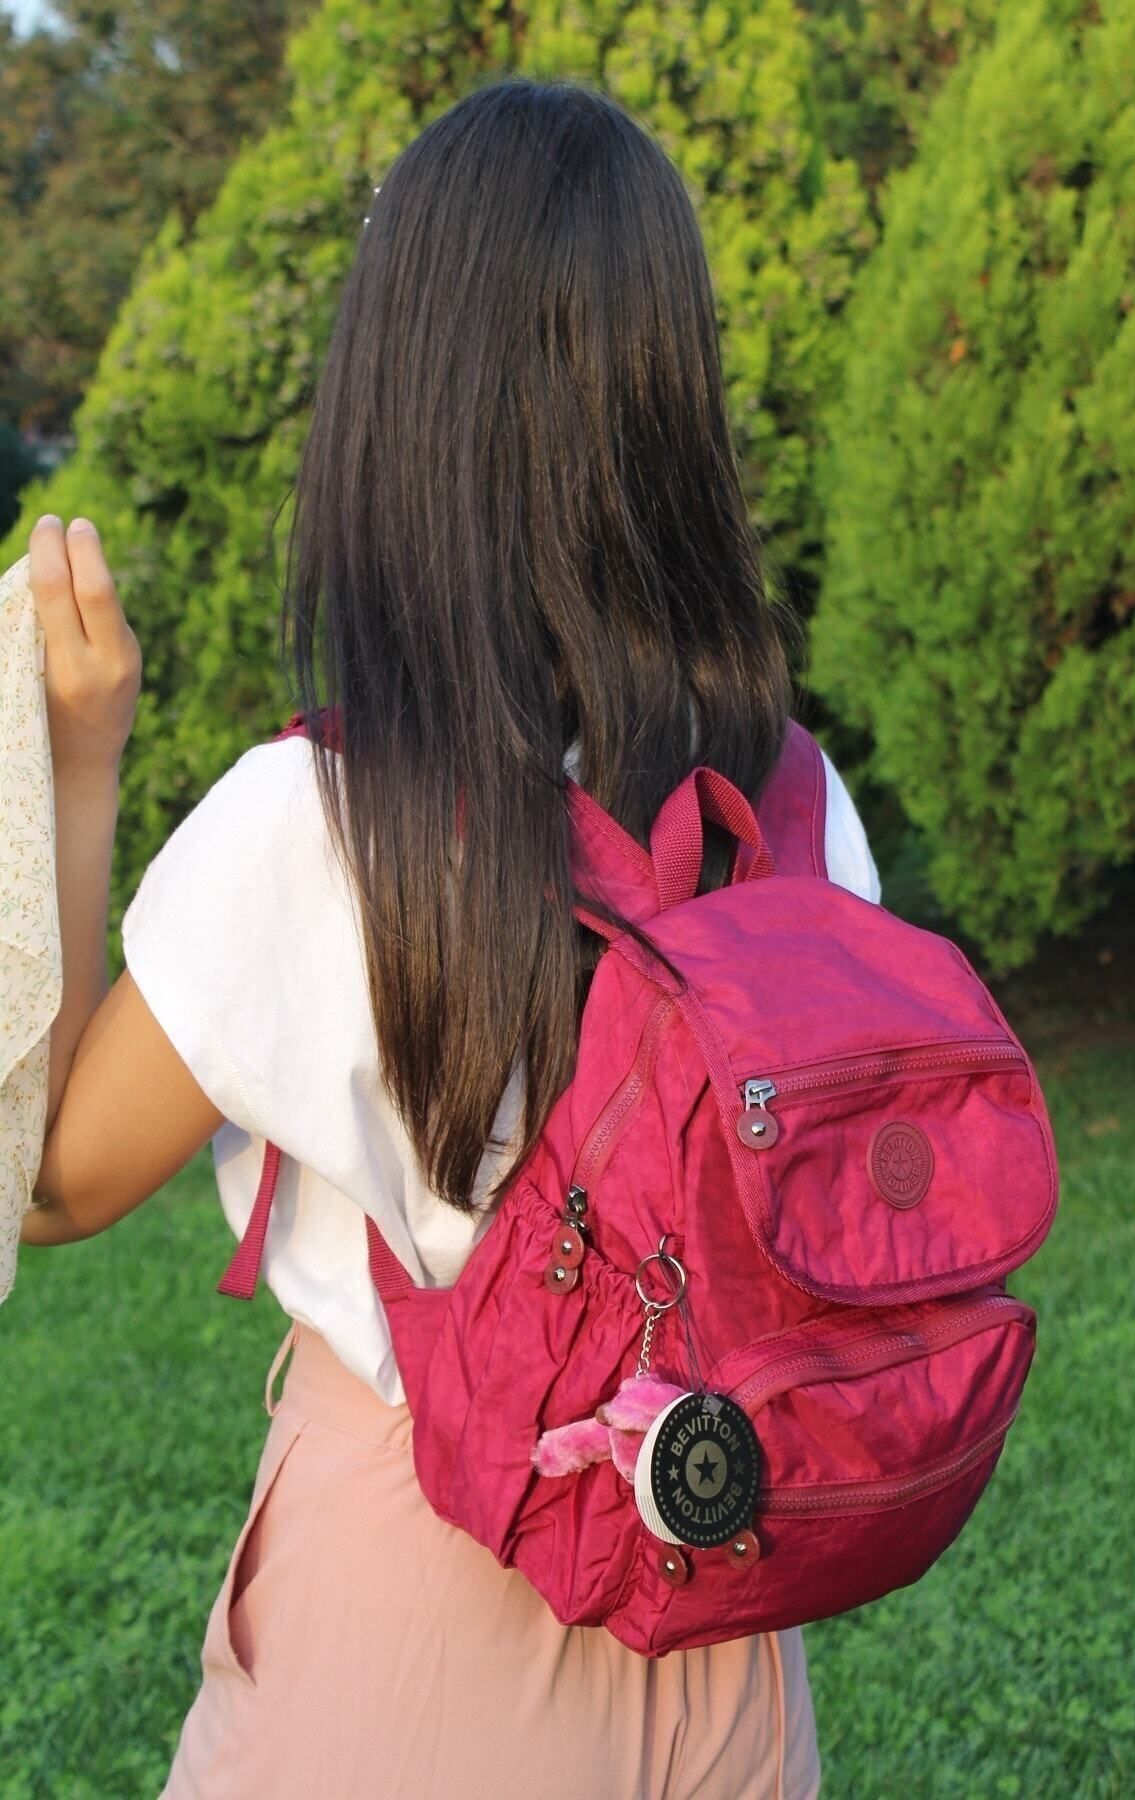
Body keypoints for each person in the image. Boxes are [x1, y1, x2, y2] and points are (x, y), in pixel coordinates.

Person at [22, 75, 881, 1799]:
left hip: (412, 1613)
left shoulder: (319, 827)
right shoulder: (800, 805)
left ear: (401, 398)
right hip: (725, 1621)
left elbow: (43, 1179)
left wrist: (73, 764)